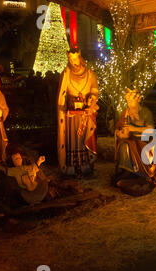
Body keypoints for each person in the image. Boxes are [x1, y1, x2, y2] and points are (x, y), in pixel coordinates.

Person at [57, 48, 99, 176]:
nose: (73, 62)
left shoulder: (90, 74)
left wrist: (91, 100)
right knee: (72, 140)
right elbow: (62, 95)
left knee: (83, 139)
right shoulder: (66, 74)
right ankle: (71, 167)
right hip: (71, 116)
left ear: (79, 58)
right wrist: (63, 109)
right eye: (70, 59)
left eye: (74, 59)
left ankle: (85, 166)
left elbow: (95, 91)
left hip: (85, 115)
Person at [115, 88, 156, 180]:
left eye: (132, 100)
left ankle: (136, 171)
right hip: (129, 139)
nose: (129, 103)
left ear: (138, 100)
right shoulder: (125, 113)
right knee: (124, 144)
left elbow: (151, 129)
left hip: (143, 141)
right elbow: (119, 127)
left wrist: (134, 128)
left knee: (127, 145)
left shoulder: (146, 112)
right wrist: (119, 132)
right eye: (128, 101)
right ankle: (127, 170)